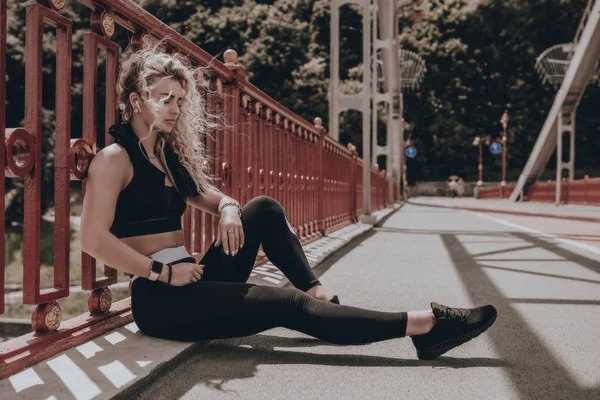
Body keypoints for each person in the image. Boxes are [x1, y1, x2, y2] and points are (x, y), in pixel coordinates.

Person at [80, 49, 497, 361]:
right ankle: (424, 326)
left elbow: (203, 195)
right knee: (287, 306)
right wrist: (165, 273)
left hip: (192, 277)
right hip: (162, 297)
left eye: (178, 99)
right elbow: (93, 239)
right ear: (136, 101)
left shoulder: (165, 155)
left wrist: (227, 206)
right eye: (163, 98)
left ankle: (319, 294)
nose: (174, 108)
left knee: (260, 208)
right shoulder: (114, 160)